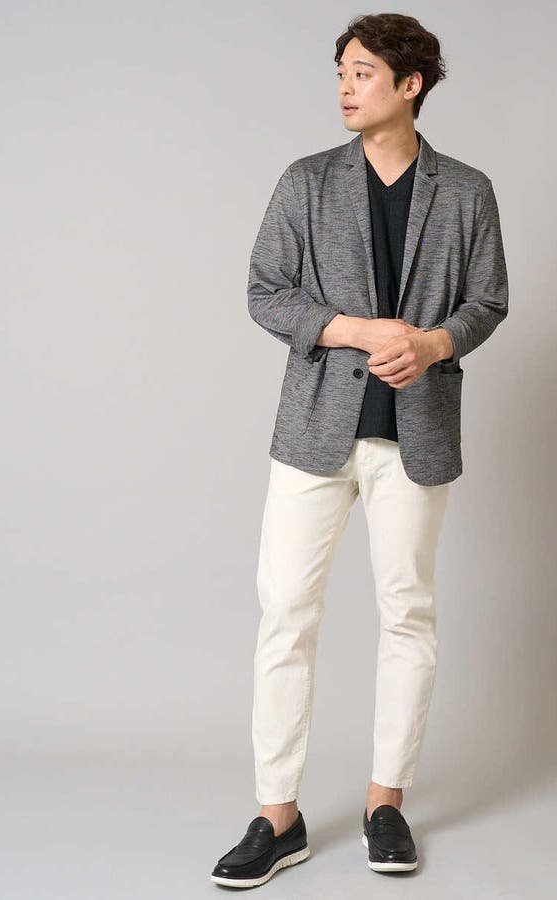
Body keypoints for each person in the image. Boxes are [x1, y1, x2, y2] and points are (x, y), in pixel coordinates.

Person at [211, 12, 509, 888]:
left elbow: (488, 300)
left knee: (406, 613)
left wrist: (433, 344)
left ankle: (387, 806)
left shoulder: (466, 191)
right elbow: (265, 290)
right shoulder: (306, 182)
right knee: (285, 615)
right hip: (314, 430)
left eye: (364, 72)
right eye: (341, 71)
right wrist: (352, 328)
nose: (345, 87)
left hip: (416, 431)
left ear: (410, 84)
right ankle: (278, 817)